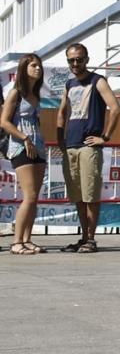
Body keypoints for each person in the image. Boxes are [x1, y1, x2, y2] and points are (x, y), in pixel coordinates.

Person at [55, 43, 120, 253]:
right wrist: (60, 139)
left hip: (88, 146)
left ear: (87, 59)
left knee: (90, 194)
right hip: (71, 146)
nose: (75, 63)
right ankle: (84, 237)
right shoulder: (69, 84)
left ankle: (91, 239)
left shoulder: (98, 81)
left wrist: (105, 137)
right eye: (71, 60)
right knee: (78, 195)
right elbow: (62, 112)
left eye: (79, 59)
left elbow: (116, 108)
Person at [1, 54, 48, 255]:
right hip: (21, 146)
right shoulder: (16, 93)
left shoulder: (36, 95)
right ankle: (16, 241)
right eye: (33, 65)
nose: (38, 69)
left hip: (38, 146)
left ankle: (27, 239)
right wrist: (25, 138)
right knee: (28, 196)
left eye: (39, 66)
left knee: (35, 197)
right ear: (24, 68)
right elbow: (4, 122)